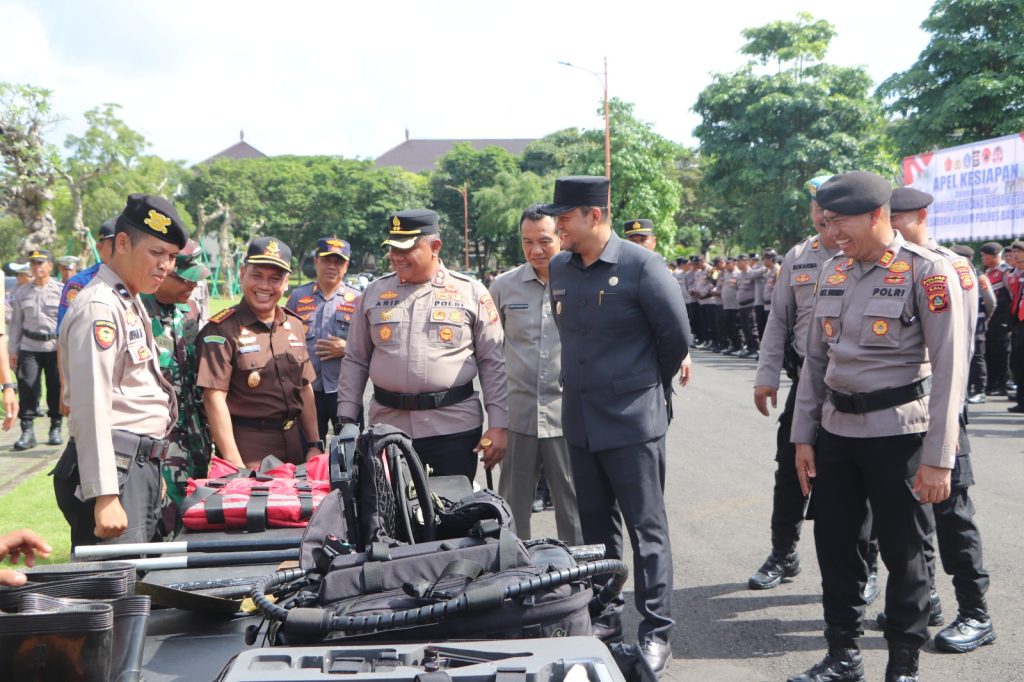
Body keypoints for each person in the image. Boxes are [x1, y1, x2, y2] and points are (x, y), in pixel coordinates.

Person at [788, 172, 968, 682]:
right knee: (837, 548)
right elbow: (815, 364)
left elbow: (951, 373)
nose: (831, 233)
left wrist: (938, 459)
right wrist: (804, 436)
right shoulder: (833, 272)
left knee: (905, 554)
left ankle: (904, 664)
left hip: (900, 437)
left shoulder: (926, 272)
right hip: (837, 435)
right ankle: (842, 655)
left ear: (876, 215)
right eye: (825, 223)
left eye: (840, 223)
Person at [539, 176, 690, 675]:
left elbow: (676, 341)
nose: (557, 226)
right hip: (580, 420)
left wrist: (638, 389)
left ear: (594, 216)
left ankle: (656, 631)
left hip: (631, 423)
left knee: (647, 530)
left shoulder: (642, 266)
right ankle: (605, 616)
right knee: (597, 531)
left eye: (564, 217)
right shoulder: (560, 266)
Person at [885, 186, 996, 653]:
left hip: (943, 406)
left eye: (900, 219)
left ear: (923, 216)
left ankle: (975, 612)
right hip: (902, 412)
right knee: (913, 513)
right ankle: (925, 598)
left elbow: (965, 333)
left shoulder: (950, 266)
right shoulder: (890, 263)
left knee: (952, 512)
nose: (891, 228)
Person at [52, 194, 186, 549]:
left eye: (171, 257)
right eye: (156, 253)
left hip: (134, 465)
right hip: (115, 470)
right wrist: (105, 493)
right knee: (114, 592)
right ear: (122, 244)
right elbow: (90, 405)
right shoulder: (100, 306)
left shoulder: (127, 296)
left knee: (139, 591)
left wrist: (151, 467)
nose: (165, 266)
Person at [337, 209, 508, 481]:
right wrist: (346, 420)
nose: (397, 256)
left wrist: (498, 425)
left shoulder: (470, 292)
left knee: (453, 516)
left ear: (435, 247)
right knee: (391, 517)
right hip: (388, 430)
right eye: (393, 248)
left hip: (453, 431)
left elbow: (492, 363)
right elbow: (355, 359)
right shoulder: (373, 293)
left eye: (407, 248)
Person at [751, 175, 842, 592]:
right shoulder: (798, 256)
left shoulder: (866, 253)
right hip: (805, 382)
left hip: (853, 386)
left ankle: (867, 565)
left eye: (832, 205)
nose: (824, 213)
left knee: (854, 479)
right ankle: (783, 553)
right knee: (789, 472)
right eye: (817, 206)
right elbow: (779, 320)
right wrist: (766, 375)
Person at [489, 205, 582, 544]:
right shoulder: (503, 287)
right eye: (527, 242)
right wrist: (494, 419)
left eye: (545, 240)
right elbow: (489, 355)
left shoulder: (580, 281)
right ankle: (518, 576)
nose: (536, 250)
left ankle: (579, 581)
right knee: (512, 507)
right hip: (518, 417)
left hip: (568, 417)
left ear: (561, 236)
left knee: (573, 506)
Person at [197, 237, 321, 469]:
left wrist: (314, 443)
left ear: (286, 283)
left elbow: (305, 388)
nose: (265, 286)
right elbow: (214, 399)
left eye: (275, 279)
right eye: (257, 276)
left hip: (295, 445)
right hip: (249, 450)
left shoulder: (294, 326)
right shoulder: (220, 330)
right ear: (242, 273)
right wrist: (235, 464)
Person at [140, 241, 213, 535]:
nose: (192, 286)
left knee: (196, 516)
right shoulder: (135, 310)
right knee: (159, 521)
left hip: (195, 437)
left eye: (196, 279)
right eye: (185, 279)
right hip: (157, 442)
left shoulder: (189, 309)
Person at [285, 237, 361, 440]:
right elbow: (282, 338)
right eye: (327, 260)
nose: (332, 266)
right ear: (317, 261)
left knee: (351, 453)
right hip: (306, 389)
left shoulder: (358, 300)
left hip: (344, 391)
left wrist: (347, 348)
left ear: (346, 266)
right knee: (306, 449)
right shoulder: (298, 297)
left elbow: (370, 345)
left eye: (338, 262)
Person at [8, 249, 64, 450]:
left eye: (41, 263)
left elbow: (67, 323)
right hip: (29, 346)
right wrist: (12, 351)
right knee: (27, 386)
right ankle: (27, 431)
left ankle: (55, 427)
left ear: (50, 266)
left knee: (56, 387)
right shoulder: (22, 292)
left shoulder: (61, 290)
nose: (36, 267)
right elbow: (15, 324)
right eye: (33, 264)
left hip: (53, 347)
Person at [56, 218, 117, 335]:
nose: (119, 250)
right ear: (100, 248)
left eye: (124, 244)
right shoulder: (80, 283)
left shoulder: (135, 280)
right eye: (113, 245)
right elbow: (63, 333)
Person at [980, 242, 1012, 396]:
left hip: (1002, 318)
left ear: (995, 256)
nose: (983, 258)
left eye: (985, 255)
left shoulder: (1005, 271)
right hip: (991, 319)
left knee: (1002, 352)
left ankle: (1002, 383)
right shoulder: (988, 272)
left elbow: (1013, 295)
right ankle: (992, 383)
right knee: (990, 352)